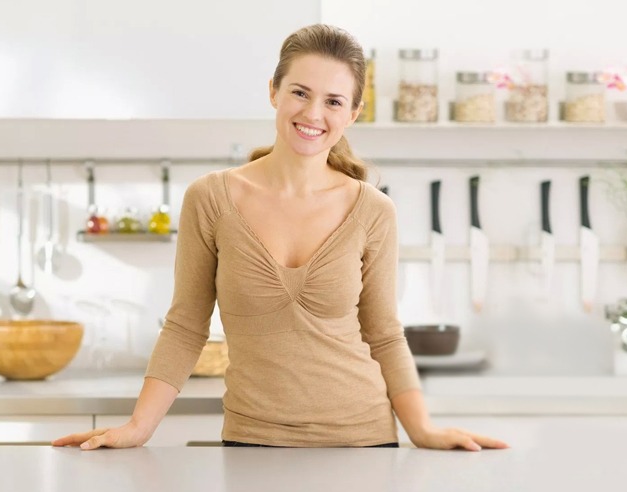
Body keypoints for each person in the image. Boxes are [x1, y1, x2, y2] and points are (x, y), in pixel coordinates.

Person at [53, 24, 508, 451]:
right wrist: (138, 428)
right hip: (253, 440)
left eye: (333, 101)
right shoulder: (211, 198)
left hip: (364, 442)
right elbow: (186, 325)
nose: (313, 114)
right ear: (273, 92)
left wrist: (422, 429)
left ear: (353, 113)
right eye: (300, 93)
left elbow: (384, 334)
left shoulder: (373, 210)